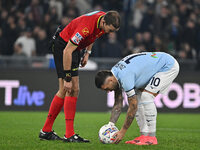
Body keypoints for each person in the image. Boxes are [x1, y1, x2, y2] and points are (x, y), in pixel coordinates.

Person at [39, 10, 120, 142]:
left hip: (75, 49)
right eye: (109, 30)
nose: (108, 33)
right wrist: (67, 78)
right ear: (104, 22)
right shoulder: (85, 28)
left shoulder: (102, 20)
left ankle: (47, 131)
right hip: (64, 47)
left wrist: (88, 52)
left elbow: (94, 35)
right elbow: (67, 51)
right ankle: (67, 134)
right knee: (67, 88)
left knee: (73, 90)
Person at [95, 52, 179, 145]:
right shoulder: (115, 73)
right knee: (138, 98)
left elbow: (133, 106)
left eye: (107, 88)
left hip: (167, 66)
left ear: (110, 80)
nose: (108, 91)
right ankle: (144, 136)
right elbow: (118, 103)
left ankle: (151, 137)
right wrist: (111, 125)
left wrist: (123, 131)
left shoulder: (124, 77)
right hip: (156, 65)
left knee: (146, 97)